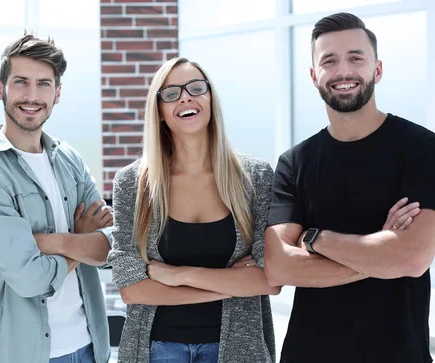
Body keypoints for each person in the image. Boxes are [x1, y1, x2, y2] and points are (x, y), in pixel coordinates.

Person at [265, 12, 435, 363]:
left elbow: (413, 257)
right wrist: (382, 254)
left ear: (378, 69)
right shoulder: (294, 163)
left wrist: (315, 239)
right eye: (329, 61)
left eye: (356, 58)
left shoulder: (422, 149)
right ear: (314, 76)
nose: (343, 71)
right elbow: (278, 267)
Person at [108, 57, 280, 363]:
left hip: (237, 351)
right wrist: (228, 285)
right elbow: (132, 289)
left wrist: (178, 275)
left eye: (196, 88)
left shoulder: (255, 177)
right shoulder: (133, 184)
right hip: (156, 350)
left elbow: (269, 278)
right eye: (171, 93)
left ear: (210, 98)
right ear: (159, 112)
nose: (186, 96)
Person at [0, 34, 113, 363]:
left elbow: (109, 246)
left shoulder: (69, 159)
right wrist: (80, 239)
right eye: (20, 82)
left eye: (43, 84)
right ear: (0, 89)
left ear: (57, 94)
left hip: (90, 348)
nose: (32, 95)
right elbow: (30, 280)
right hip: (24, 355)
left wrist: (45, 242)